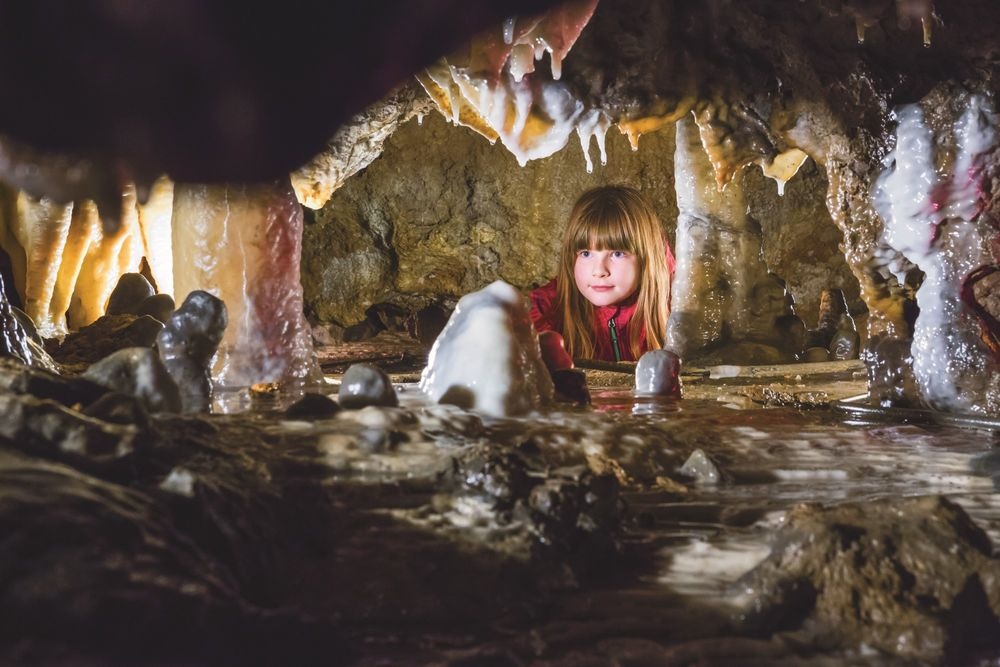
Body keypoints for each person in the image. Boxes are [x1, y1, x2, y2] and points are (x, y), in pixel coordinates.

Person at [529, 185, 675, 363]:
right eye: (586, 253)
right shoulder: (548, 310)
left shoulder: (678, 304)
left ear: (647, 257)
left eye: (617, 253)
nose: (599, 271)